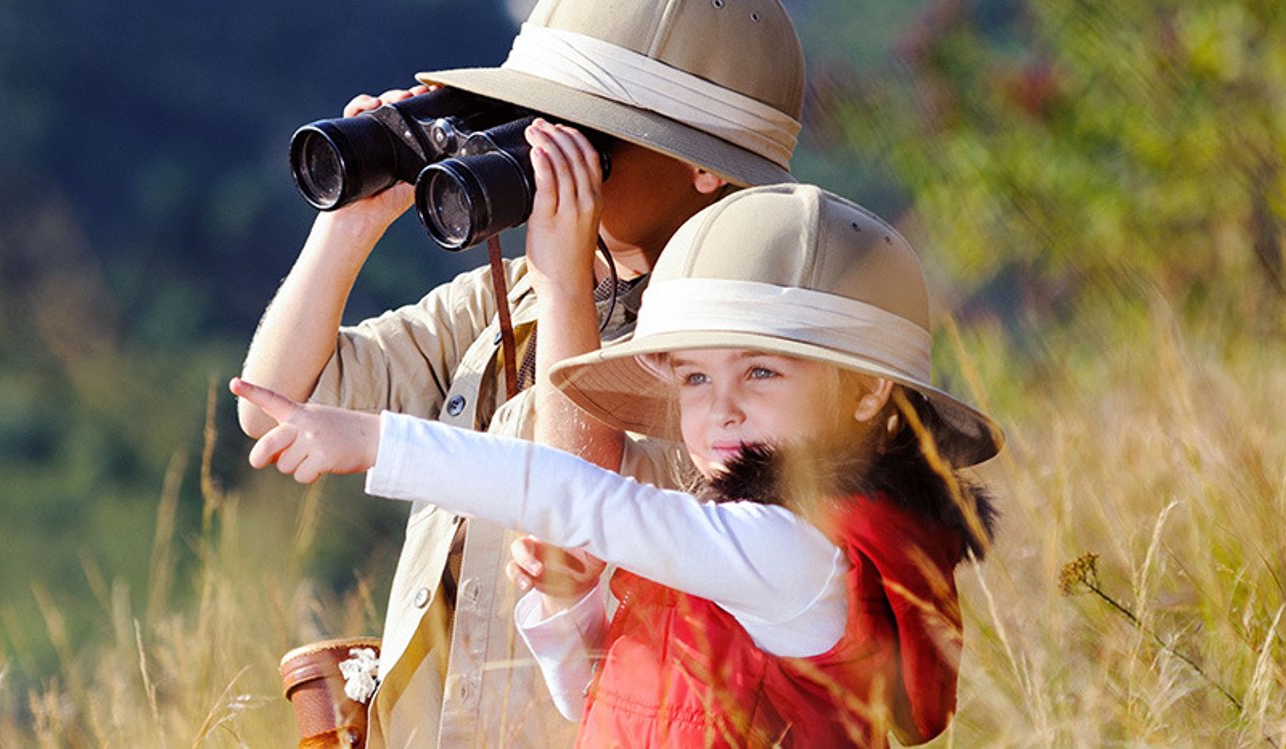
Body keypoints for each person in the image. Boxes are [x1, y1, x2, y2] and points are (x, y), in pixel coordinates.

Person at [231, 183, 1005, 746]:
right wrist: (566, 610)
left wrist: (375, 440)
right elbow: (595, 701)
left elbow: (589, 501)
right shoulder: (725, 541)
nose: (721, 407)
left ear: (867, 391)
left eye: (762, 373)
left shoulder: (798, 553)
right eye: (695, 378)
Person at [237, 0, 807, 744]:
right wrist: (353, 221)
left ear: (703, 163)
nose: (546, 150)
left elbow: (579, 503)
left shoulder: (733, 359)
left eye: (587, 134)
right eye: (536, 119)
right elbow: (277, 405)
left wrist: (567, 280)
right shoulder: (518, 297)